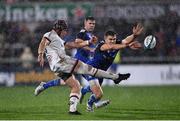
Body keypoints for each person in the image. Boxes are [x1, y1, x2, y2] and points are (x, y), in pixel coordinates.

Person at [35, 19, 131, 115]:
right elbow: (43, 43)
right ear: (60, 29)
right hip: (63, 61)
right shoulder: (50, 34)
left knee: (76, 85)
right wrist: (40, 54)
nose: (66, 32)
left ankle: (72, 110)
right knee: (90, 70)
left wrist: (88, 42)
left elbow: (70, 45)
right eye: (65, 30)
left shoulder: (58, 39)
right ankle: (115, 77)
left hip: (57, 66)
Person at [81, 27, 143, 111]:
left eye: (114, 39)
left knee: (96, 92)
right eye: (110, 39)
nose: (113, 41)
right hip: (90, 70)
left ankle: (84, 90)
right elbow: (111, 46)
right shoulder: (102, 45)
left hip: (101, 73)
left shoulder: (116, 44)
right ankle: (89, 104)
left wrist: (134, 35)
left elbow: (125, 40)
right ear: (105, 39)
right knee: (99, 94)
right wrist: (128, 46)